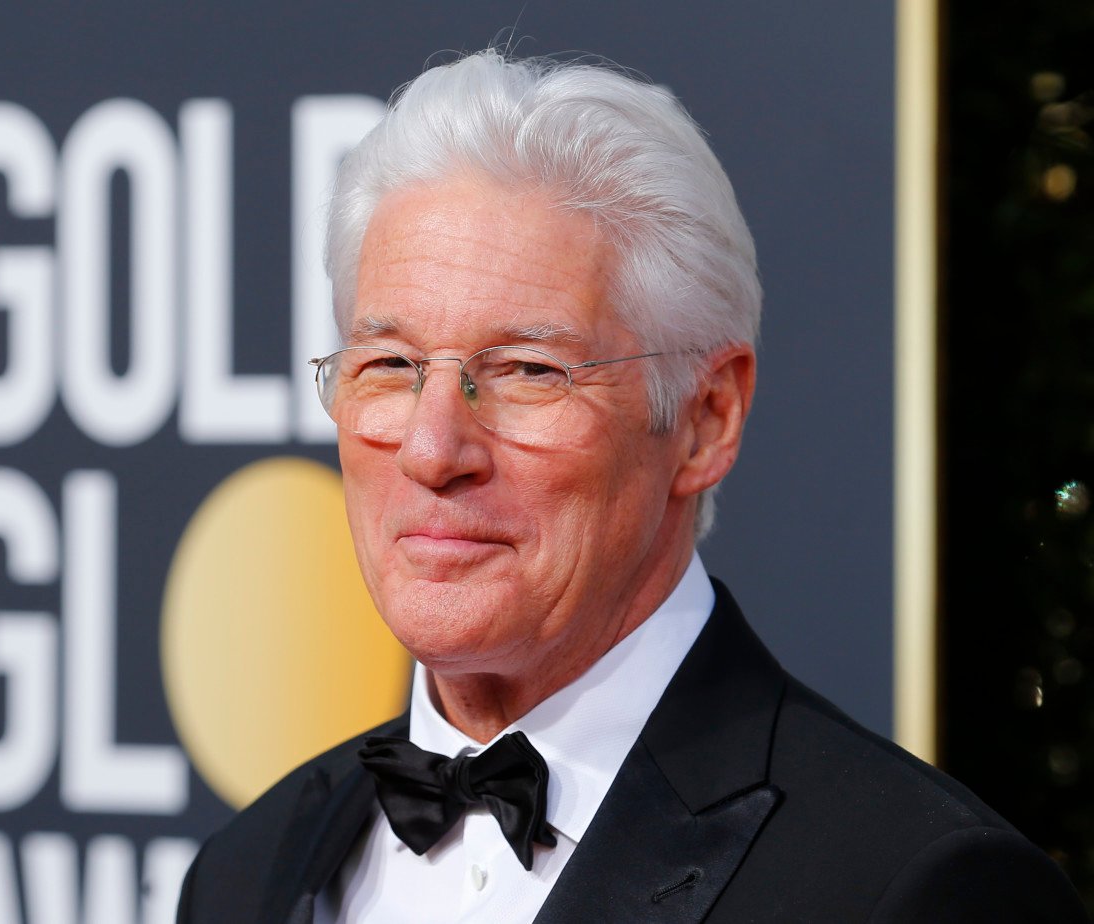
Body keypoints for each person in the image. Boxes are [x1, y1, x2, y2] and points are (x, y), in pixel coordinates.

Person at [176, 50, 1087, 922]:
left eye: (528, 370)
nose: (433, 449)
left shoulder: (912, 890)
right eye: (389, 365)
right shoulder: (242, 874)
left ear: (705, 420)